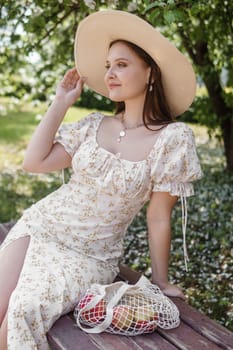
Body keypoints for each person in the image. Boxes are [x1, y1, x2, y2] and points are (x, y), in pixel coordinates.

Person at [0, 10, 202, 350]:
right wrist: (61, 103)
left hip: (90, 255)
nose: (109, 73)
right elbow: (34, 162)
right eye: (108, 65)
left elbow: (158, 216)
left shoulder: (173, 139)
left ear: (150, 72)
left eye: (121, 65)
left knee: (22, 312)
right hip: (41, 226)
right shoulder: (93, 125)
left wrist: (161, 281)